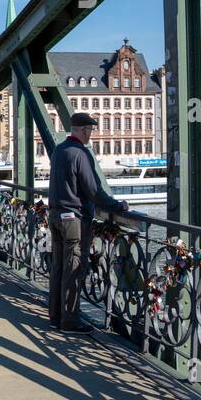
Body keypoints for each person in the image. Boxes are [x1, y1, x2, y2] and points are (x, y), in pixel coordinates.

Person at [48, 112, 127, 332]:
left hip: (55, 215)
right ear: (84, 130)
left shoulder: (59, 150)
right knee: (73, 269)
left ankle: (55, 316)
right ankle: (69, 321)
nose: (91, 133)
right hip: (73, 219)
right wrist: (117, 206)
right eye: (90, 130)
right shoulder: (80, 154)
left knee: (58, 267)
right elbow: (93, 191)